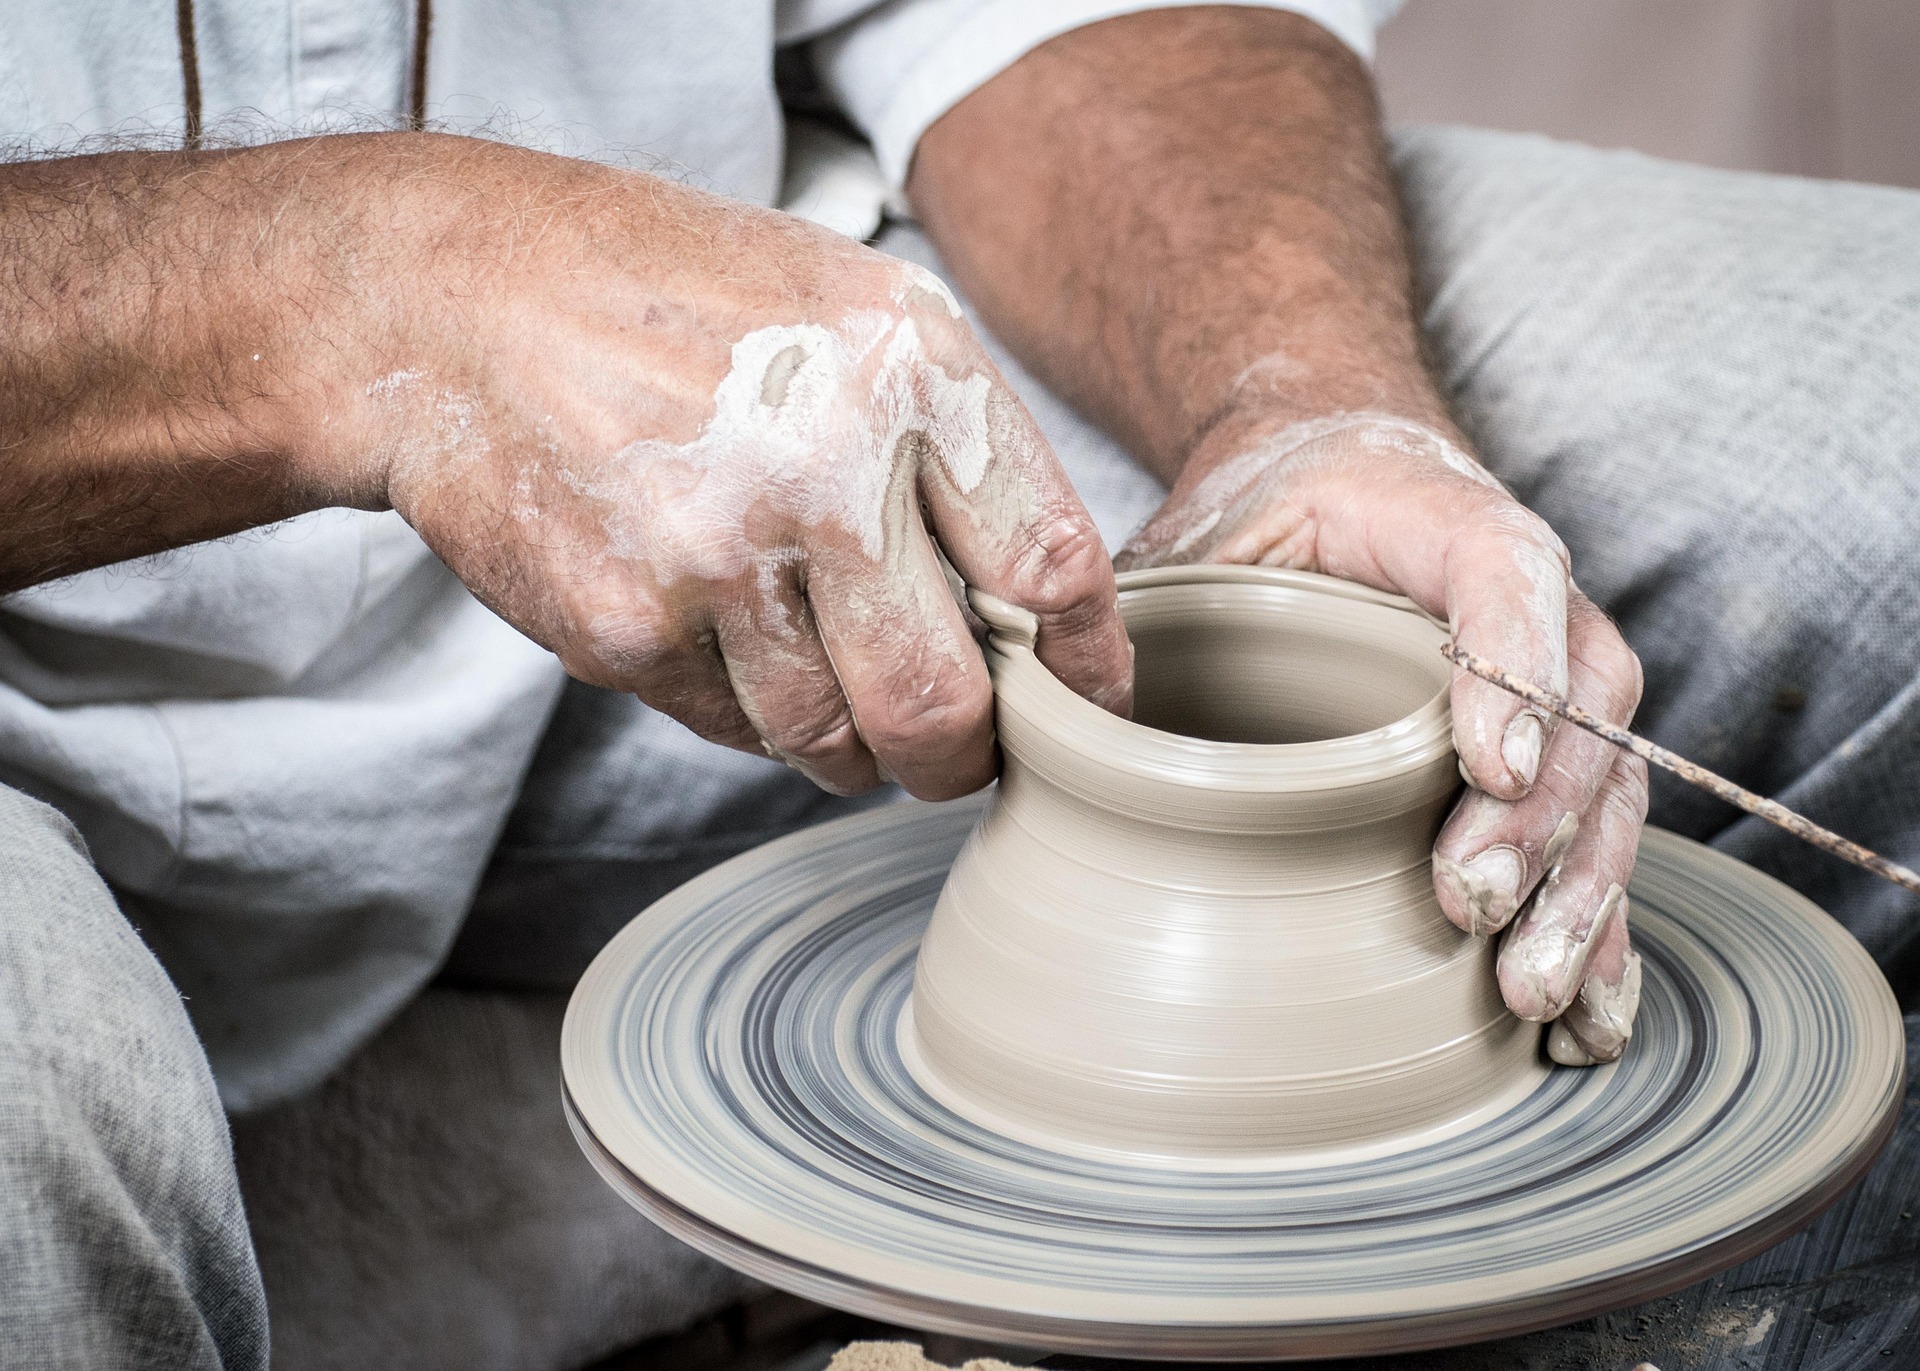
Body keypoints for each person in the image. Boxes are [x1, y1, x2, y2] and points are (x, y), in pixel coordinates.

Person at [1, 2, 1915, 1366]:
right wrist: (344, 290)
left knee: (1876, 462)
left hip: (747, 406)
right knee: (35, 1111)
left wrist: (1302, 392)